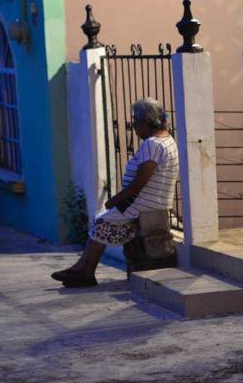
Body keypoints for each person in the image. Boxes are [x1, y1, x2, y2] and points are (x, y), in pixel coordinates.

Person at [51, 98, 179, 288]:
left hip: (142, 204)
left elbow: (139, 183)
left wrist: (115, 200)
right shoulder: (167, 139)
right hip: (149, 202)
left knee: (102, 222)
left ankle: (85, 272)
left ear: (146, 121)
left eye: (135, 121)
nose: (133, 127)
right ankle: (81, 269)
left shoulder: (152, 145)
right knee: (101, 221)